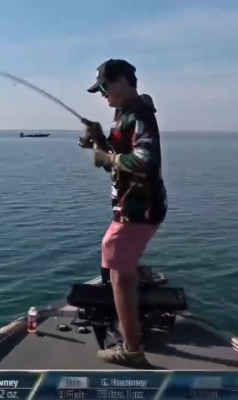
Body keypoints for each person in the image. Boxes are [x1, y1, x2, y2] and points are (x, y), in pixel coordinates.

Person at [82, 58, 167, 366]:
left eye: (105, 87)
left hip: (139, 208)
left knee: (117, 266)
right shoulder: (123, 114)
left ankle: (132, 350)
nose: (103, 94)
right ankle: (132, 297)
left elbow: (144, 159)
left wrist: (108, 157)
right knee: (116, 260)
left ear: (122, 80)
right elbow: (118, 160)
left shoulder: (139, 113)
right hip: (131, 206)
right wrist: (99, 141)